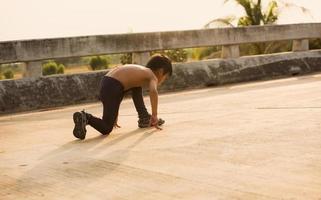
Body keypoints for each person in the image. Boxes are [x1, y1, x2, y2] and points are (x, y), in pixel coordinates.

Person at [72, 54, 172, 140]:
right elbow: (153, 91)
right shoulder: (152, 76)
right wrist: (154, 115)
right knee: (106, 128)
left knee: (136, 88)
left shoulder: (139, 71)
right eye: (165, 77)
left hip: (107, 82)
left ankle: (144, 117)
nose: (163, 81)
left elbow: (120, 90)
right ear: (160, 71)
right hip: (113, 86)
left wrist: (115, 114)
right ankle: (86, 117)